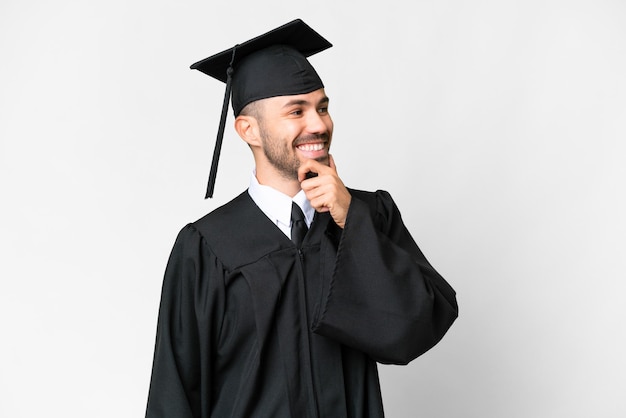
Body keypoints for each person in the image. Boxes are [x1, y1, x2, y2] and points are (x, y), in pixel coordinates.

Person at [145, 19, 458, 418]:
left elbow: (418, 329)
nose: (319, 124)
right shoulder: (206, 247)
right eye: (297, 111)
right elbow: (173, 396)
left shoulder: (370, 216)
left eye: (322, 107)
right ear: (249, 130)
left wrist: (352, 221)